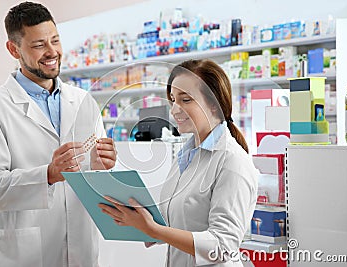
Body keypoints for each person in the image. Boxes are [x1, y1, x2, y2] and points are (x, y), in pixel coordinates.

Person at [0, 2, 116, 266]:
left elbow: (94, 179)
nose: (52, 52)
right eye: (38, 45)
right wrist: (47, 175)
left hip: (82, 248)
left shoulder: (83, 102)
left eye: (55, 40)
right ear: (14, 49)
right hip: (25, 254)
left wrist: (101, 167)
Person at [99, 59, 258, 266]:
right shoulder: (185, 156)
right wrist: (137, 220)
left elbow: (222, 247)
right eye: (173, 99)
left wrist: (153, 229)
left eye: (186, 100)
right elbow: (178, 223)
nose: (174, 110)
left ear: (214, 103)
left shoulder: (232, 161)